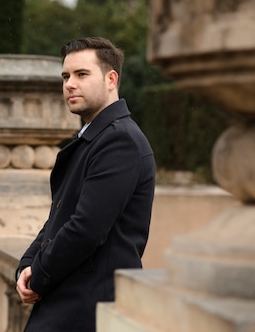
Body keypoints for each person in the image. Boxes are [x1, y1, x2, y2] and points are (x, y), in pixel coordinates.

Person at [16, 37, 156, 331]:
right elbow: (58, 217)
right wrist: (26, 264)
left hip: (89, 308)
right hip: (71, 301)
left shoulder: (121, 141)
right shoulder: (95, 138)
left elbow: (85, 229)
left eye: (81, 74)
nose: (69, 84)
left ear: (111, 79)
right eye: (66, 76)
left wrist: (39, 275)